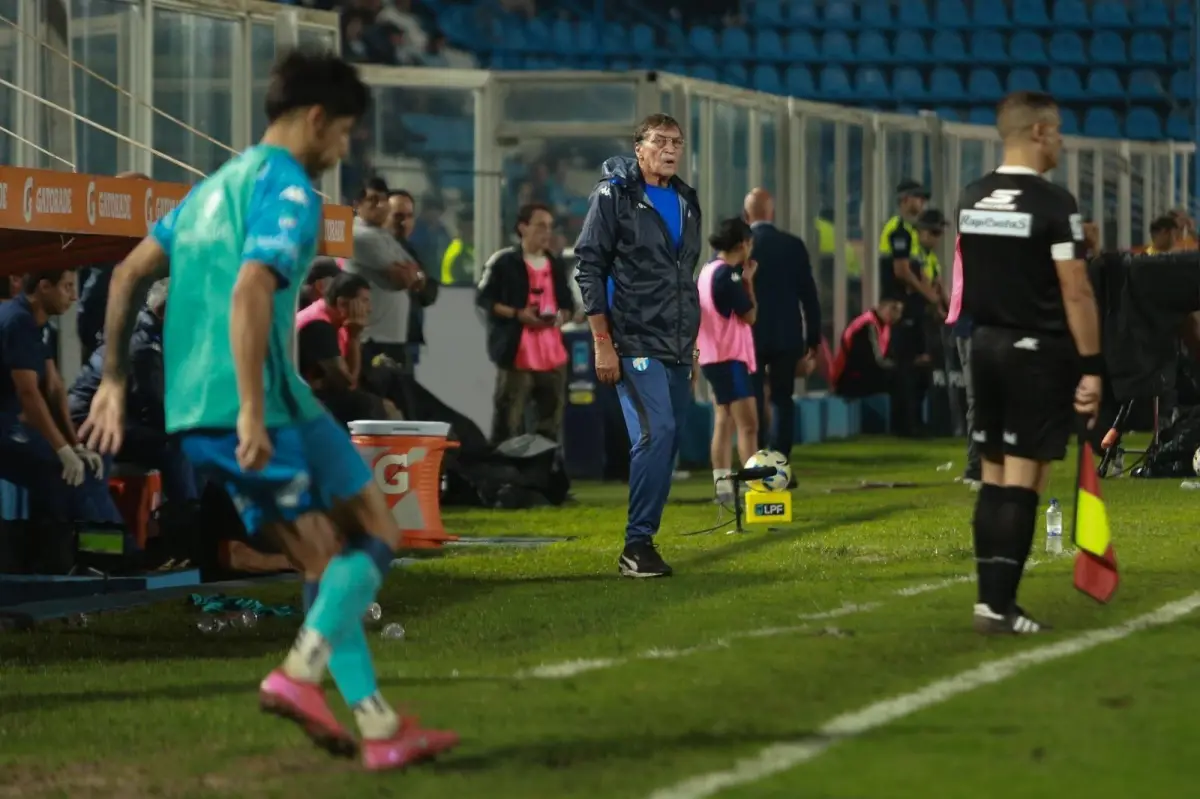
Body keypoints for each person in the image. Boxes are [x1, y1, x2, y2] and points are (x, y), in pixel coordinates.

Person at [79, 49, 458, 768]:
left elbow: (128, 273)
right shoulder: (287, 190)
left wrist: (115, 380)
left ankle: (372, 723)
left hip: (244, 404)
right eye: (343, 132)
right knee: (359, 537)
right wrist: (252, 411)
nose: (344, 148)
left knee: (345, 547)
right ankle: (303, 676)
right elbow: (254, 287)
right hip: (250, 406)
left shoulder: (214, 186)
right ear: (317, 119)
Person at [948, 90, 1101, 635]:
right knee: (1025, 478)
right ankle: (1000, 606)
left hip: (983, 347)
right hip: (1035, 353)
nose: (1060, 141)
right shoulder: (1054, 204)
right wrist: (1092, 365)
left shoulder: (972, 196)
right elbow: (1076, 290)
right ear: (1038, 132)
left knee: (992, 474)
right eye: (1057, 131)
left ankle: (988, 600)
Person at [574, 112, 702, 578]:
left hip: (675, 343)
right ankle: (636, 545)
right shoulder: (614, 195)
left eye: (678, 142)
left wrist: (689, 346)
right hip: (632, 340)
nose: (670, 149)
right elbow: (589, 266)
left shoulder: (687, 199)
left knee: (668, 444)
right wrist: (602, 341)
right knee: (656, 433)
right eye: (661, 140)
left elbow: (681, 279)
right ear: (639, 147)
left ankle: (645, 541)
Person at [68, 279, 198, 504]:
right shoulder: (143, 344)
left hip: (116, 415)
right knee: (176, 446)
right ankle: (188, 512)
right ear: (163, 311)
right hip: (90, 421)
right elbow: (155, 407)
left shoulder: (147, 332)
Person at [477, 202, 576, 444]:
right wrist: (517, 314)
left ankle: (543, 471)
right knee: (508, 418)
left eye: (550, 227)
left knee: (550, 419)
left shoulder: (555, 264)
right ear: (523, 227)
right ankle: (503, 474)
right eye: (541, 226)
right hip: (517, 352)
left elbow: (568, 305)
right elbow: (485, 299)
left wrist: (561, 317)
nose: (547, 232)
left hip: (552, 354)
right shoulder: (503, 262)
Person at [743, 188, 819, 469]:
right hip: (787, 335)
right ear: (771, 213)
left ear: (746, 214)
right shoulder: (793, 245)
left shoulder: (742, 246)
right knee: (782, 399)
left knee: (752, 399)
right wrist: (813, 340)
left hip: (749, 335)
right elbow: (809, 296)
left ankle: (756, 459)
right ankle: (780, 464)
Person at [696, 218, 759, 505]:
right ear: (743, 244)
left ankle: (722, 488)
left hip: (712, 356)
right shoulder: (729, 277)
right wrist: (748, 282)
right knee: (748, 425)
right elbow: (750, 315)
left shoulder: (707, 271)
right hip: (729, 357)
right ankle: (755, 488)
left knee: (724, 421)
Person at [345, 177, 425, 376]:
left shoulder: (384, 235)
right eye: (373, 200)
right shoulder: (359, 236)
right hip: (371, 339)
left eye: (383, 200)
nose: (381, 206)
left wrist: (411, 273)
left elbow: (418, 275)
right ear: (357, 205)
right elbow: (405, 279)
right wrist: (409, 272)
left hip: (395, 338)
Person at [831, 295, 903, 399]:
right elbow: (872, 361)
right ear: (884, 306)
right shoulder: (867, 325)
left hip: (864, 377)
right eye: (894, 308)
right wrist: (898, 368)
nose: (897, 315)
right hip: (849, 379)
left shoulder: (885, 325)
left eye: (900, 311)